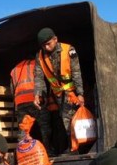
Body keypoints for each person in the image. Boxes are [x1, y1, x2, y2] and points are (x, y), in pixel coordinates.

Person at [34, 27, 85, 155]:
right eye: (43, 45)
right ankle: (73, 148)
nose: (46, 47)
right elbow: (39, 77)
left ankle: (75, 149)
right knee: (63, 121)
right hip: (57, 95)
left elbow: (76, 72)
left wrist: (80, 93)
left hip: (70, 93)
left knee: (70, 122)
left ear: (55, 39)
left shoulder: (69, 50)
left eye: (48, 43)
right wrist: (37, 94)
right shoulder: (39, 56)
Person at [11, 57, 51, 148]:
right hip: (35, 100)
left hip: (20, 102)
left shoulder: (14, 69)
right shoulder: (36, 64)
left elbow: (12, 88)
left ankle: (23, 152)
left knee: (23, 129)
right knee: (44, 126)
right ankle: (47, 150)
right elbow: (42, 82)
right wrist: (45, 99)